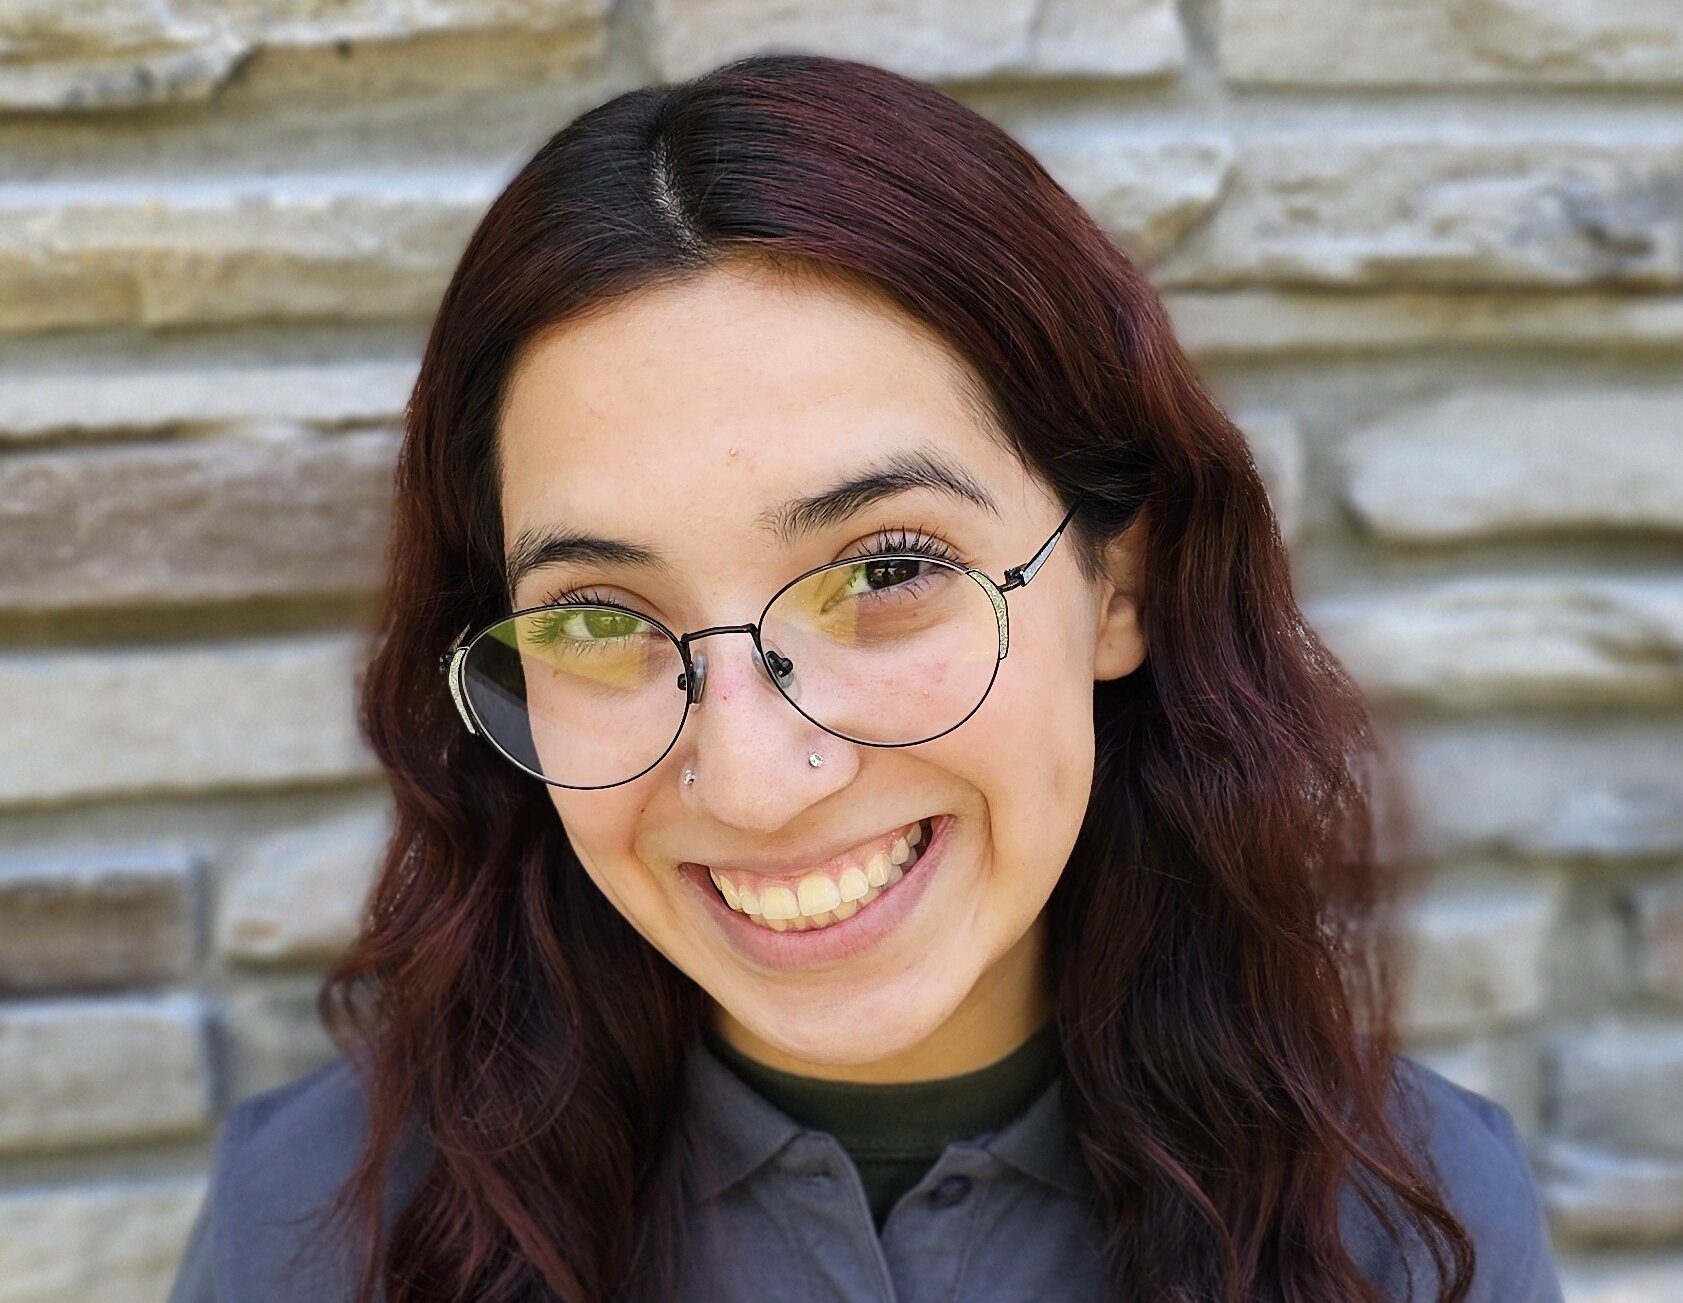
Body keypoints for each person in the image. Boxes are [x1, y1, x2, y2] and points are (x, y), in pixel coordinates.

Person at [169, 53, 1564, 1303]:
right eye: (597, 619)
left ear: (1119, 584)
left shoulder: (1414, 1228)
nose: (753, 782)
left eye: (888, 571)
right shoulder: (312, 1232)